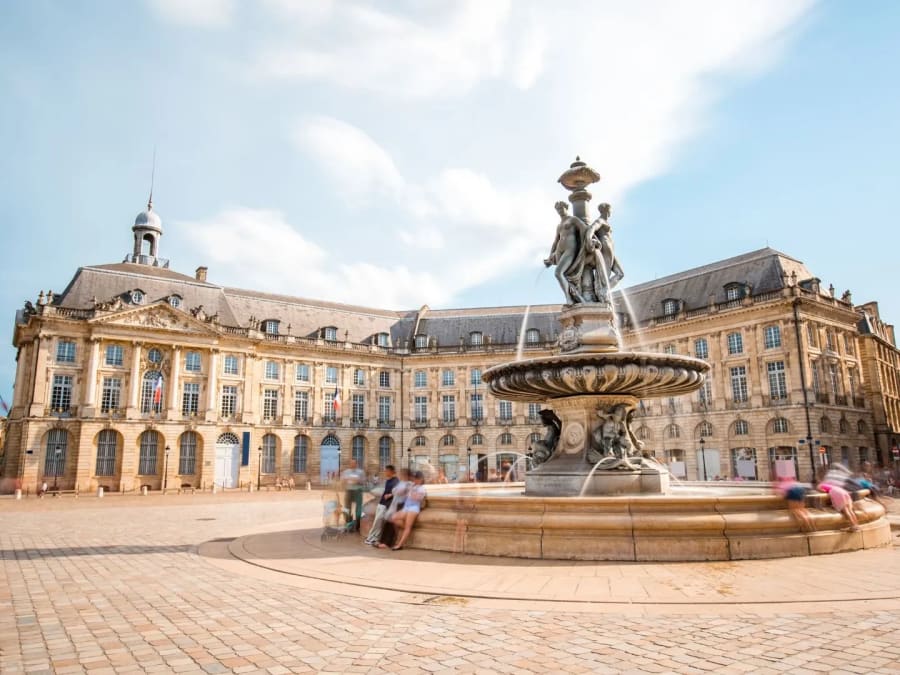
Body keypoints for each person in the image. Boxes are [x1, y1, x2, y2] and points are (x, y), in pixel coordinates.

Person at [390, 471, 427, 551]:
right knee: (393, 518)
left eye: (416, 478)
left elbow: (418, 498)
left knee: (407, 526)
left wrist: (410, 492)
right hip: (406, 507)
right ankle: (408, 529)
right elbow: (401, 492)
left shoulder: (422, 488)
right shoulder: (412, 486)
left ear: (420, 479)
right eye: (414, 478)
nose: (414, 480)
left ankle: (400, 544)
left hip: (413, 508)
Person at [817, 466, 860, 532]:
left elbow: (823, 491)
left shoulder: (820, 485)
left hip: (836, 493)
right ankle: (856, 525)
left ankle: (853, 526)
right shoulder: (828, 482)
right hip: (843, 491)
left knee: (845, 510)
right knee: (850, 509)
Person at [364, 465, 398, 546]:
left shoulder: (396, 481)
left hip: (386, 504)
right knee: (377, 522)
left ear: (391, 471)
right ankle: (370, 538)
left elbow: (397, 491)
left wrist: (390, 495)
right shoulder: (388, 480)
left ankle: (373, 539)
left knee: (378, 522)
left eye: (386, 471)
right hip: (381, 503)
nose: (385, 472)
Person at [340, 460, 366, 531]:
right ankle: (348, 523)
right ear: (349, 464)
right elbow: (342, 481)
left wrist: (358, 480)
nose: (352, 464)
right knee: (347, 508)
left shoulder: (360, 472)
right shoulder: (346, 472)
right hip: (349, 491)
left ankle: (358, 524)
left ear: (356, 464)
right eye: (351, 463)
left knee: (358, 509)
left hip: (358, 491)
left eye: (354, 463)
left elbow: (364, 481)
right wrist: (345, 480)